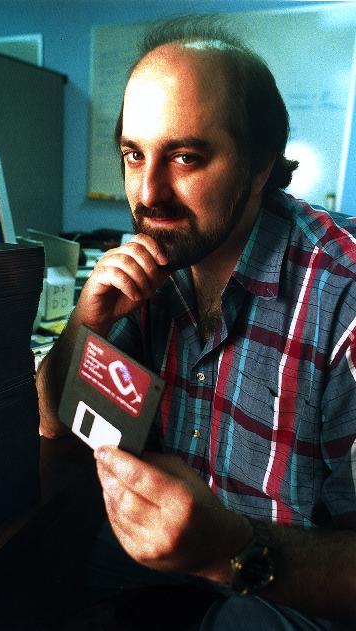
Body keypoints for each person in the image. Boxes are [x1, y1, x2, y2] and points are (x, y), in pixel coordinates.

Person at [37, 16, 356, 629]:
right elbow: (57, 422)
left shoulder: (343, 301)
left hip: (287, 584)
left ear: (260, 164)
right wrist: (88, 321)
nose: (149, 195)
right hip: (156, 564)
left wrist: (229, 549)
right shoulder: (156, 268)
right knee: (37, 577)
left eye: (186, 157)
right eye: (135, 155)